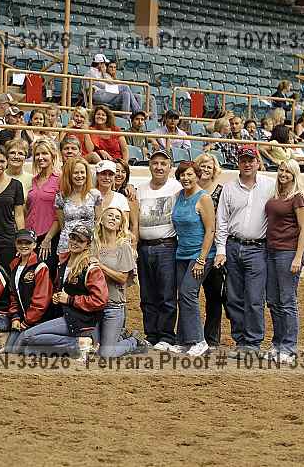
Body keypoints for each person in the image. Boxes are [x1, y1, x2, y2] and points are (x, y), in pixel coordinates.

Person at [214, 146, 276, 358]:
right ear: (238, 163)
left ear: (258, 162)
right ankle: (240, 340)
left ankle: (253, 342)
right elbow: (222, 220)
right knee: (233, 297)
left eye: (251, 160)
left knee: (255, 298)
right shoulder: (229, 188)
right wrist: (221, 249)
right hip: (233, 246)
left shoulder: (270, 186)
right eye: (243, 160)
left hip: (258, 248)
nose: (247, 164)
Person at [17, 225, 108, 357]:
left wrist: (70, 300)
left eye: (80, 240)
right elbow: (61, 289)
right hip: (65, 316)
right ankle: (78, 345)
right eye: (73, 238)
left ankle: (79, 343)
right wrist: (57, 296)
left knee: (27, 336)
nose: (75, 242)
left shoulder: (91, 268)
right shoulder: (62, 261)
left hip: (81, 320)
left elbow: (100, 300)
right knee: (29, 350)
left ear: (87, 245)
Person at [136, 149, 182, 351]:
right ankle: (151, 334)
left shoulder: (177, 188)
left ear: (170, 167)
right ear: (150, 166)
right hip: (145, 247)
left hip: (167, 246)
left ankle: (166, 335)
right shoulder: (140, 189)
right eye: (155, 163)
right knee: (147, 295)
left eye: (163, 163)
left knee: (166, 294)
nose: (159, 167)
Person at [264, 159, 304, 363]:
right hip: (272, 251)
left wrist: (298, 257)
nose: (283, 174)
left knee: (287, 300)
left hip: (289, 253)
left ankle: (289, 347)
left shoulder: (298, 197)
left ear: (294, 175)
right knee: (273, 300)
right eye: (281, 170)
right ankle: (277, 343)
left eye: (288, 171)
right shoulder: (276, 194)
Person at [170, 161, 215, 356]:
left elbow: (210, 230)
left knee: (188, 293)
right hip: (182, 253)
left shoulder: (204, 198)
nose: (185, 178)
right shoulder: (179, 196)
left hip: (200, 255)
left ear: (197, 176)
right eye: (182, 175)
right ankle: (184, 340)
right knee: (183, 296)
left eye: (189, 174)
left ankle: (199, 341)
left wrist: (201, 259)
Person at [92, 207, 146, 356]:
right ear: (101, 220)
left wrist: (100, 266)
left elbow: (122, 278)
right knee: (92, 349)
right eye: (110, 215)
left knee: (106, 353)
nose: (113, 219)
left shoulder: (123, 247)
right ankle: (119, 336)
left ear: (120, 225)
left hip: (113, 306)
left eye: (117, 218)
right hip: (94, 305)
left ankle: (134, 341)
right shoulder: (94, 245)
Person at [194, 152, 226, 348]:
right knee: (189, 294)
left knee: (214, 296)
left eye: (209, 167)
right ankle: (193, 335)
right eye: (202, 166)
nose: (205, 169)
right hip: (192, 248)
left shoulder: (221, 192)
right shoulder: (189, 189)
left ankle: (211, 338)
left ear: (214, 170)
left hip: (214, 250)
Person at [4, 230, 53, 353]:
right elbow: (13, 295)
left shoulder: (40, 267)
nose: (24, 245)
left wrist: (27, 322)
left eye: (28, 243)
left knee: (19, 350)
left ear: (35, 245)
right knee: (10, 349)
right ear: (15, 244)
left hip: (39, 320)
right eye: (20, 242)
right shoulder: (14, 264)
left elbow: (41, 301)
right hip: (22, 319)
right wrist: (15, 317)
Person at [55, 156, 101, 257]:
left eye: (82, 172)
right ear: (69, 175)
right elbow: (62, 224)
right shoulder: (61, 197)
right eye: (75, 173)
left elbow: (98, 221)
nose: (80, 176)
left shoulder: (95, 195)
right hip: (67, 244)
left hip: (88, 245)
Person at [26, 140, 61, 267]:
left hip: (49, 237)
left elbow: (60, 215)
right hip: (30, 238)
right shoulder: (32, 180)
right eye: (37, 154)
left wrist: (47, 239)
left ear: (53, 155)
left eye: (44, 153)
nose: (40, 157)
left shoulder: (60, 180)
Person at [113, 159, 139, 243]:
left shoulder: (130, 195)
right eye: (117, 171)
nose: (120, 174)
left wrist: (133, 246)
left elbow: (134, 225)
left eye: (123, 172)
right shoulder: (102, 192)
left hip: (122, 241)